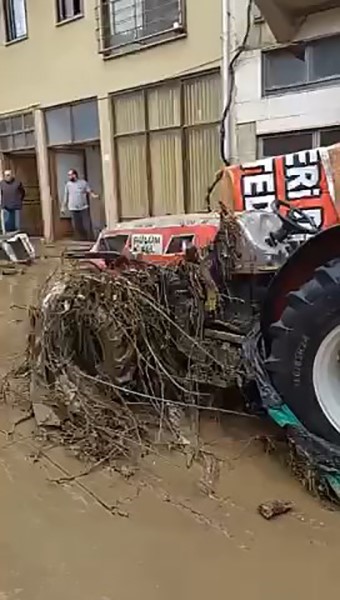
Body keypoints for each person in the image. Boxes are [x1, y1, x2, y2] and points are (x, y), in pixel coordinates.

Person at [62, 169, 98, 240]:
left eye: (70, 175)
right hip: (73, 208)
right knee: (76, 225)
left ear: (75, 175)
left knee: (86, 224)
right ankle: (81, 238)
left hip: (83, 207)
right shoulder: (68, 185)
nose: (69, 177)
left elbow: (89, 191)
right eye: (68, 175)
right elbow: (66, 196)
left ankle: (90, 238)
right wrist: (63, 207)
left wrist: (94, 195)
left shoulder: (83, 183)